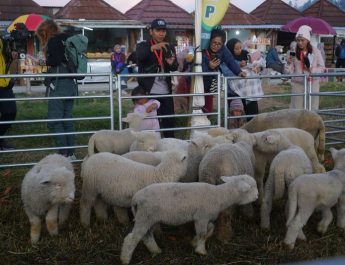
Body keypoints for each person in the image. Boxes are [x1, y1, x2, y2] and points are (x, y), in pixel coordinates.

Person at [36, 20, 77, 159]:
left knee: (54, 121)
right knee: (67, 120)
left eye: (41, 34)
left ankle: (63, 153)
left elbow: (56, 60)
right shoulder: (67, 39)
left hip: (59, 84)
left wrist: (43, 61)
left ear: (45, 31)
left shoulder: (53, 41)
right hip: (71, 84)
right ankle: (71, 153)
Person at [136, 18, 178, 138]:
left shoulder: (169, 46)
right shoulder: (143, 45)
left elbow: (175, 66)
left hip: (166, 92)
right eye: (158, 30)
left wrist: (171, 63)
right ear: (151, 31)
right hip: (149, 93)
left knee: (169, 122)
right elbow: (139, 57)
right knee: (150, 123)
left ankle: (170, 147)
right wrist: (153, 48)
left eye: (163, 30)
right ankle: (151, 150)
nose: (161, 33)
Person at [202, 29, 245, 114]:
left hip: (210, 82)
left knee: (207, 107)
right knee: (197, 104)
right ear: (209, 41)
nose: (216, 46)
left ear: (222, 44)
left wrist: (239, 72)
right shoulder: (203, 48)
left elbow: (230, 60)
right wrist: (209, 66)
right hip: (198, 81)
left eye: (219, 44)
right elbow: (198, 65)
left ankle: (207, 120)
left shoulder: (223, 49)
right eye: (214, 42)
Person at [285, 25, 325, 110]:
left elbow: (322, 68)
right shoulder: (293, 52)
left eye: (302, 40)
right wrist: (288, 63)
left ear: (308, 40)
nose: (300, 43)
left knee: (312, 108)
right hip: (297, 84)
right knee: (297, 109)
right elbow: (288, 72)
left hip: (312, 84)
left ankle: (312, 123)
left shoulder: (316, 51)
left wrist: (311, 70)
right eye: (298, 40)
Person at [225, 38, 263, 120]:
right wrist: (239, 66)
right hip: (234, 92)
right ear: (230, 49)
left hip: (250, 90)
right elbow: (227, 71)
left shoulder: (246, 54)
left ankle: (252, 127)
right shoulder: (227, 59)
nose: (239, 50)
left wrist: (258, 67)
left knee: (252, 112)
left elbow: (257, 63)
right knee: (237, 115)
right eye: (236, 49)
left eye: (240, 48)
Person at [0, 38, 17, 150]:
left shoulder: (3, 39)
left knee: (10, 112)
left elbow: (4, 57)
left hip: (4, 82)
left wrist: (11, 52)